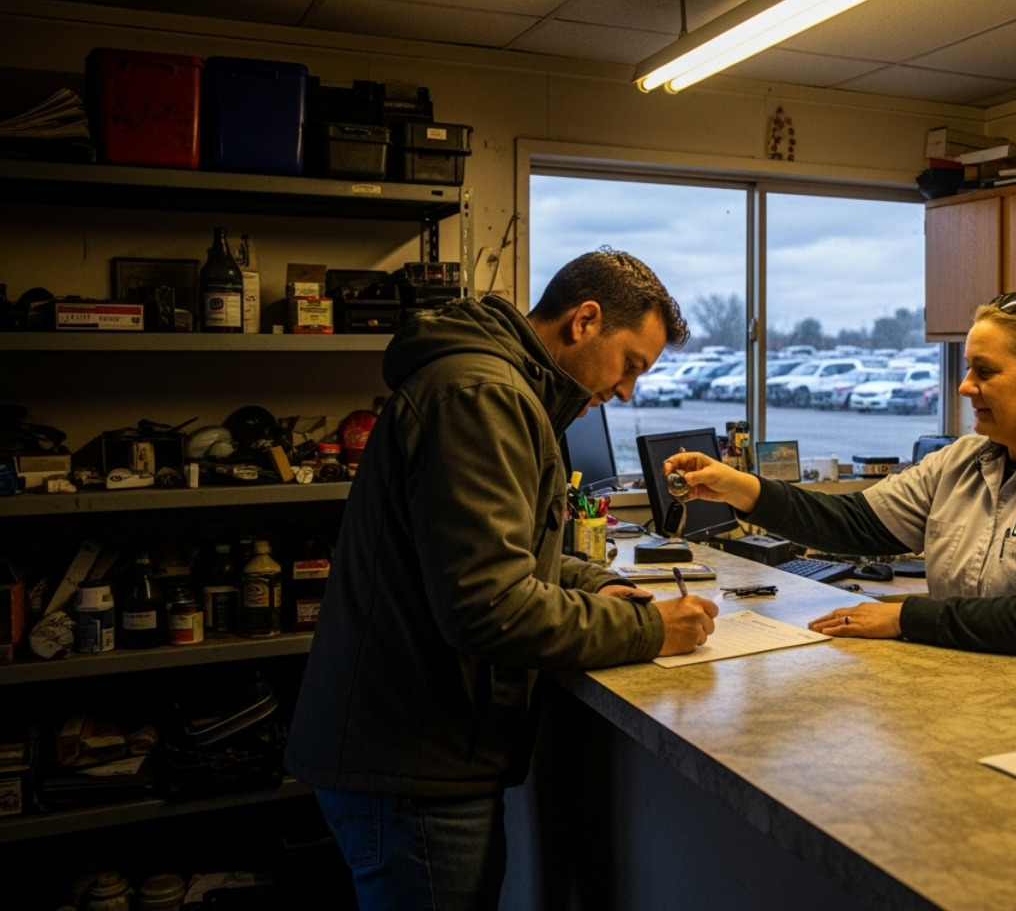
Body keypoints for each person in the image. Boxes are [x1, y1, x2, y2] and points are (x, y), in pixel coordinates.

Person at [286, 248, 719, 911]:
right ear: (585, 321)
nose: (629, 391)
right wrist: (647, 627)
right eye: (631, 364)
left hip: (418, 753)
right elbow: (489, 607)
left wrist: (591, 585)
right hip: (412, 763)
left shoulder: (498, 388)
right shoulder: (483, 396)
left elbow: (500, 554)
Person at [667, 292, 1016, 685]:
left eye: (984, 371)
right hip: (992, 688)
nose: (965, 386)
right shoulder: (965, 459)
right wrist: (739, 487)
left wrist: (907, 617)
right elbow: (856, 522)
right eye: (968, 368)